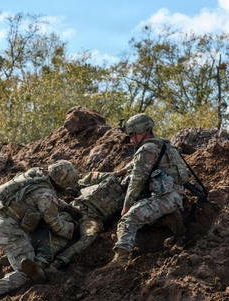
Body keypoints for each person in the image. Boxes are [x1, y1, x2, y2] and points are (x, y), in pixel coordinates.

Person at [0, 160, 77, 301]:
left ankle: (14, 255)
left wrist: (67, 208)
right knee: (32, 273)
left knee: (38, 227)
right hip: (10, 234)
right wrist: (72, 228)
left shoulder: (36, 175)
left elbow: (44, 200)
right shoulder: (46, 194)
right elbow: (57, 226)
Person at [106, 113, 186, 268]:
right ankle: (173, 223)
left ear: (142, 131)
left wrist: (126, 208)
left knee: (128, 219)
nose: (131, 139)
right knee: (146, 212)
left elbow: (136, 182)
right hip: (176, 196)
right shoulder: (163, 144)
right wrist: (120, 172)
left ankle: (120, 260)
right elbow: (139, 165)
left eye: (132, 135)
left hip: (166, 198)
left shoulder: (147, 149)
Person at [47, 170, 125, 273]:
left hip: (91, 219)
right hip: (75, 207)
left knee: (90, 235)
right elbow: (83, 182)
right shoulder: (108, 177)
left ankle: (57, 263)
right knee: (55, 223)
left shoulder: (133, 198)